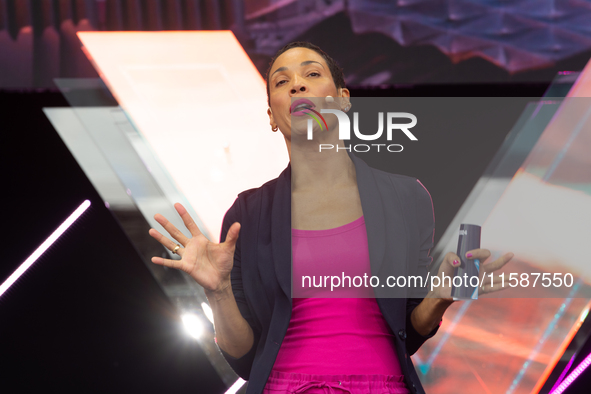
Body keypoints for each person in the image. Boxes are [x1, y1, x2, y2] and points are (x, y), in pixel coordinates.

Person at [148, 42, 513, 394]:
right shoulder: (248, 213)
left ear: (343, 99)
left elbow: (408, 331)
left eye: (311, 73)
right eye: (281, 81)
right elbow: (245, 358)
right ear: (272, 117)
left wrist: (438, 298)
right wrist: (219, 291)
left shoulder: (407, 197)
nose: (298, 84)